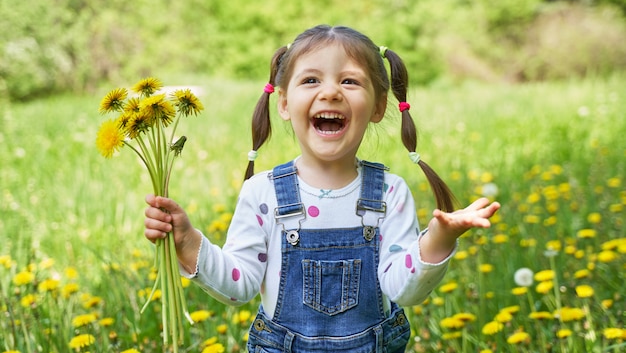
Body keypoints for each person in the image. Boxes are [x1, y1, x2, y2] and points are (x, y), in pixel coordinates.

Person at [144, 25, 500, 352]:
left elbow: (401, 291)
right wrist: (187, 241)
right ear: (283, 103)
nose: (330, 92)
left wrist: (438, 239)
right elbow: (240, 285)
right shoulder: (261, 193)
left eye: (350, 81)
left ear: (378, 106)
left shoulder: (390, 193)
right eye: (311, 80)